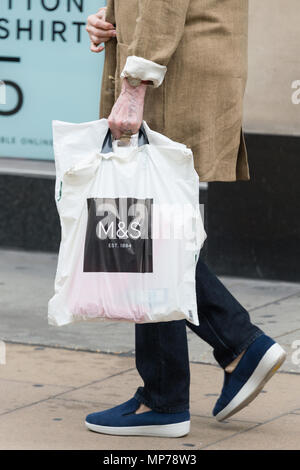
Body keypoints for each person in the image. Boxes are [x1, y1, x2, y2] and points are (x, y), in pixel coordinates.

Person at [84, 1, 286, 438]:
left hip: (172, 72)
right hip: (180, 62)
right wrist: (115, 13)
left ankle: (229, 352)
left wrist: (135, 84)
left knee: (148, 232)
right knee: (151, 230)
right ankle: (171, 390)